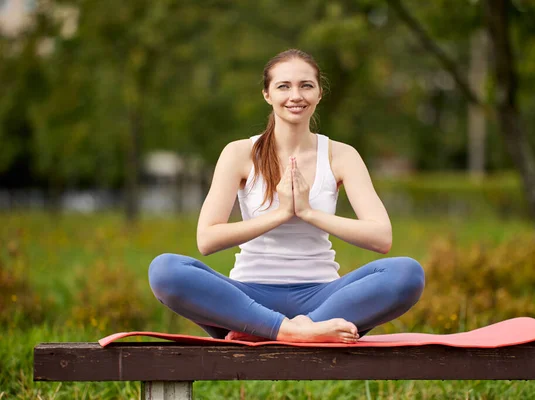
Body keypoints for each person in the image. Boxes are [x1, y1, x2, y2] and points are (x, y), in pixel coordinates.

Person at [148, 49, 425, 344]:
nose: (296, 96)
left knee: (407, 273)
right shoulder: (239, 153)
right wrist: (280, 214)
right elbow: (207, 240)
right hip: (248, 299)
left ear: (319, 93)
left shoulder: (342, 156)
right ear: (267, 94)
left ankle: (275, 330)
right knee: (165, 270)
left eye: (306, 85)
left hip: (322, 300)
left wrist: (307, 212)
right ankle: (293, 332)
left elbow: (381, 237)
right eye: (284, 86)